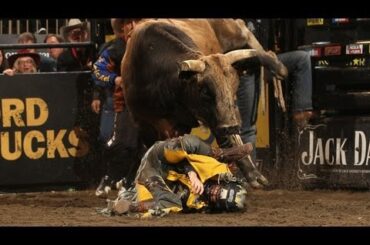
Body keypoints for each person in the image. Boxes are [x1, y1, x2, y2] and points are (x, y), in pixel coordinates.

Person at [106, 134, 250, 217]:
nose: (214, 192)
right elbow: (182, 157)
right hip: (158, 157)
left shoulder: (199, 204)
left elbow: (169, 200)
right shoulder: (216, 170)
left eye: (217, 197)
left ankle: (128, 206)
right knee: (187, 144)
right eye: (219, 190)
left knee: (173, 204)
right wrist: (192, 174)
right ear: (224, 184)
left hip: (151, 178)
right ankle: (222, 153)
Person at [237, 20, 314, 161]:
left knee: (302, 59)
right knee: (247, 129)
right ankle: (245, 176)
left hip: (264, 63)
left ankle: (302, 111)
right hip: (244, 69)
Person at [93, 19, 142, 197]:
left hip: (144, 104)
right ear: (124, 27)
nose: (135, 26)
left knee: (139, 144)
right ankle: (109, 178)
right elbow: (98, 71)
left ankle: (127, 180)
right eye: (132, 22)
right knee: (115, 141)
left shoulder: (147, 45)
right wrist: (115, 79)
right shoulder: (113, 49)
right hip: (121, 103)